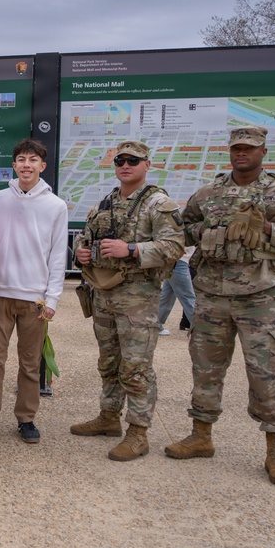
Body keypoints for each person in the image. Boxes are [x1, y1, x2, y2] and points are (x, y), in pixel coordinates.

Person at [165, 126, 275, 487]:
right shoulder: (209, 193)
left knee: (265, 373)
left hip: (260, 297)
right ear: (229, 151)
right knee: (205, 368)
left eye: (249, 149)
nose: (242, 154)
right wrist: (196, 233)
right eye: (236, 148)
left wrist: (271, 231)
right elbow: (183, 229)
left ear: (262, 152)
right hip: (210, 295)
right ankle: (201, 435)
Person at [72, 140, 184, 461]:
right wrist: (81, 251)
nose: (125, 165)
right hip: (104, 295)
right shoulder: (106, 202)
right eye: (120, 160)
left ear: (146, 164)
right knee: (108, 361)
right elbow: (86, 236)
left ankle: (138, 432)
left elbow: (175, 247)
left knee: (136, 367)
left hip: (138, 298)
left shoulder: (158, 204)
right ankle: (109, 416)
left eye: (133, 160)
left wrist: (132, 250)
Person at [0, 138, 68, 444]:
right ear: (14, 165)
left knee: (30, 362)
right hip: (0, 293)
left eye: (33, 160)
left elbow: (58, 256)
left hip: (36, 298)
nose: (26, 165)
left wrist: (53, 298)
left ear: (42, 166)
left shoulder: (56, 206)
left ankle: (26, 418)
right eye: (21, 159)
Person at [157, 248, 196, 335]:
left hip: (173, 261)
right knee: (188, 297)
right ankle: (200, 330)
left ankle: (155, 324)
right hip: (179, 261)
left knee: (167, 296)